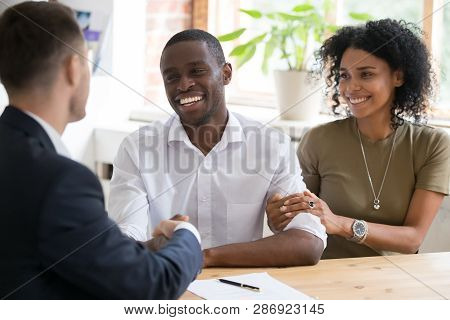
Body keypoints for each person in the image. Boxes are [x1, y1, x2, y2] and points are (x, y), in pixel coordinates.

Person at [0, 1, 202, 299]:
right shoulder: (60, 181)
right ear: (72, 68)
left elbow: (66, 247)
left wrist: (146, 249)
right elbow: (152, 285)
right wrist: (188, 237)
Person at [108, 29, 327, 267]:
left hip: (242, 289)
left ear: (226, 74)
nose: (183, 84)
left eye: (197, 71)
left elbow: (308, 242)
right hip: (166, 285)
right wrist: (153, 247)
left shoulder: (272, 145)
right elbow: (125, 238)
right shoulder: (137, 148)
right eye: (171, 77)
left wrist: (202, 256)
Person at [267, 19, 450, 259]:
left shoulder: (432, 145)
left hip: (396, 282)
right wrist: (279, 218)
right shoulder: (319, 140)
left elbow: (412, 239)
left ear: (398, 77)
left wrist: (341, 224)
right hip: (324, 273)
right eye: (344, 76)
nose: (351, 87)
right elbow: (300, 223)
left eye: (366, 74)